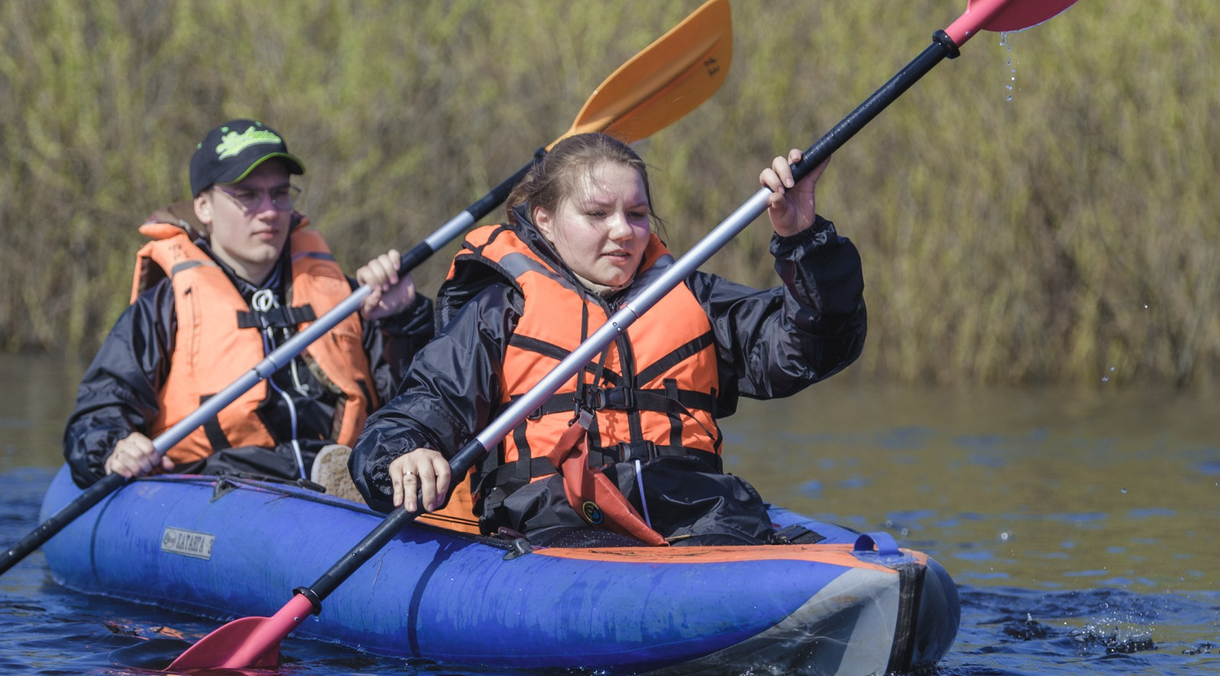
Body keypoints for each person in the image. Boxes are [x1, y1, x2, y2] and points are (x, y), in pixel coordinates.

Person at [352, 132, 864, 544]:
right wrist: (404, 452)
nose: (624, 231)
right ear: (545, 221)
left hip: (695, 510)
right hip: (556, 523)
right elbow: (417, 410)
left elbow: (809, 347)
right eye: (598, 214)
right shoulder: (501, 310)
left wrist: (803, 239)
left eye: (637, 215)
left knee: (740, 523)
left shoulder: (690, 297)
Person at [63, 120, 432, 498]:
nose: (269, 211)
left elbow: (415, 400)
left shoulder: (347, 298)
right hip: (216, 489)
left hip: (340, 479)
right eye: (247, 195)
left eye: (279, 194)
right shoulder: (165, 306)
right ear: (203, 206)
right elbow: (99, 412)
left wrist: (403, 319)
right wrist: (113, 446)